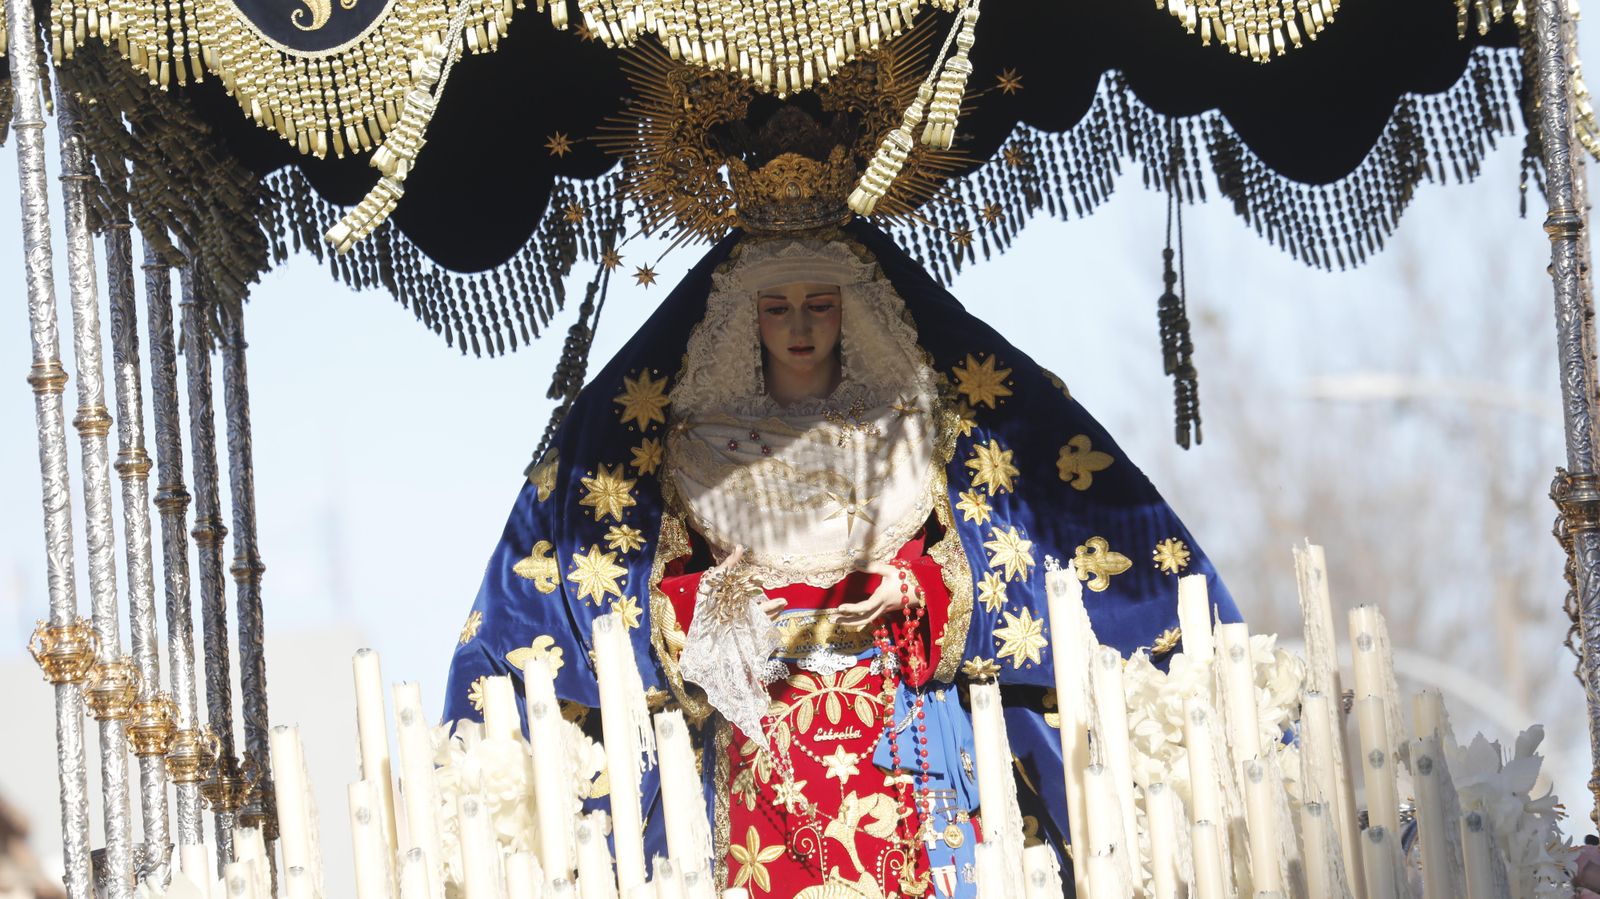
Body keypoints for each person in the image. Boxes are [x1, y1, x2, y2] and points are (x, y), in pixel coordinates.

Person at [444, 221, 1240, 898]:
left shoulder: (910, 432)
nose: (800, 326)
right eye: (779, 306)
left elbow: (995, 562)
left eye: (819, 305)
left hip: (905, 731)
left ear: (848, 310)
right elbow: (666, 594)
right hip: (763, 742)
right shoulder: (703, 446)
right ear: (746, 318)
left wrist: (905, 588)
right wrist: (735, 605)